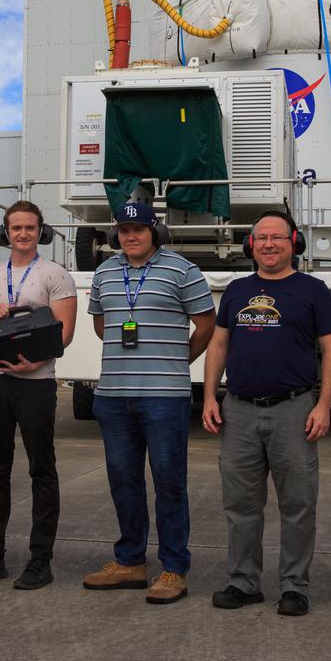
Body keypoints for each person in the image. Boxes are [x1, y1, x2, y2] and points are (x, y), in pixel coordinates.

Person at [201, 211, 331, 617]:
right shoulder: (237, 290)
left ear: (292, 241)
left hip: (294, 411)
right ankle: (243, 582)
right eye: (261, 238)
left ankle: (295, 586)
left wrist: (324, 405)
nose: (268, 245)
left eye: (276, 238)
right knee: (241, 505)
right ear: (250, 244)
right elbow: (219, 346)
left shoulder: (313, 291)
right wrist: (210, 396)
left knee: (298, 505)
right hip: (239, 411)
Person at [82, 201, 215, 605]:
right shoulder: (105, 272)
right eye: (123, 230)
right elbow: (101, 322)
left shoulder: (182, 269)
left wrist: (176, 361)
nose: (131, 236)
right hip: (113, 396)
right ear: (115, 235)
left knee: (169, 482)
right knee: (124, 480)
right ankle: (130, 562)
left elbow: (206, 324)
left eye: (138, 229)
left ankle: (174, 568)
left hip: (165, 397)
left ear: (154, 232)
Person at [0, 201, 77, 590]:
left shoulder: (55, 275)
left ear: (40, 231)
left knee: (41, 469)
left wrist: (34, 363)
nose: (22, 234)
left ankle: (40, 561)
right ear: (4, 233)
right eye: (16, 228)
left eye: (30, 228)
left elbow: (64, 333)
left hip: (35, 382)